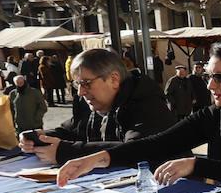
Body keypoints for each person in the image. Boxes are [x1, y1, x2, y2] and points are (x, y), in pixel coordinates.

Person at [56, 42, 221, 193]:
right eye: (208, 76)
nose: (209, 85)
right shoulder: (213, 115)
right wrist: (98, 159)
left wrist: (195, 165)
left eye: (219, 77)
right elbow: (158, 143)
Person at [21, 48, 174, 165]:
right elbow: (71, 130)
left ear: (114, 79)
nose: (80, 92)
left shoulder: (147, 102)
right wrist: (40, 137)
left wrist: (66, 152)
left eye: (86, 83)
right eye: (77, 84)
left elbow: (135, 151)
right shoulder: (89, 102)